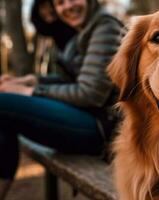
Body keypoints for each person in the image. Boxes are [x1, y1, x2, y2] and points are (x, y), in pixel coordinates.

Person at [0, 0, 125, 198]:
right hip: (86, 118)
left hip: (102, 129)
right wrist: (30, 81)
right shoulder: (84, 32)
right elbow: (71, 80)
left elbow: (90, 93)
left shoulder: (106, 27)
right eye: (59, 3)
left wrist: (29, 92)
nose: (67, 7)